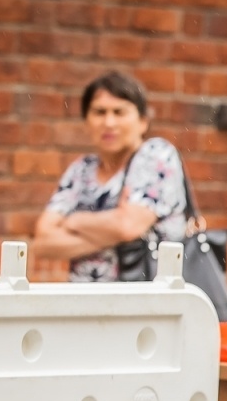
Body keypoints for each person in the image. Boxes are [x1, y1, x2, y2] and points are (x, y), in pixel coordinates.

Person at [33, 72, 189, 282]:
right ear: (86, 121)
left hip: (145, 297)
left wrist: (74, 221)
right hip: (85, 299)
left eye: (119, 112)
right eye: (99, 112)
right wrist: (115, 231)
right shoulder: (81, 170)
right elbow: (42, 243)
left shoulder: (156, 156)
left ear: (143, 121)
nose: (109, 122)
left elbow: (127, 226)